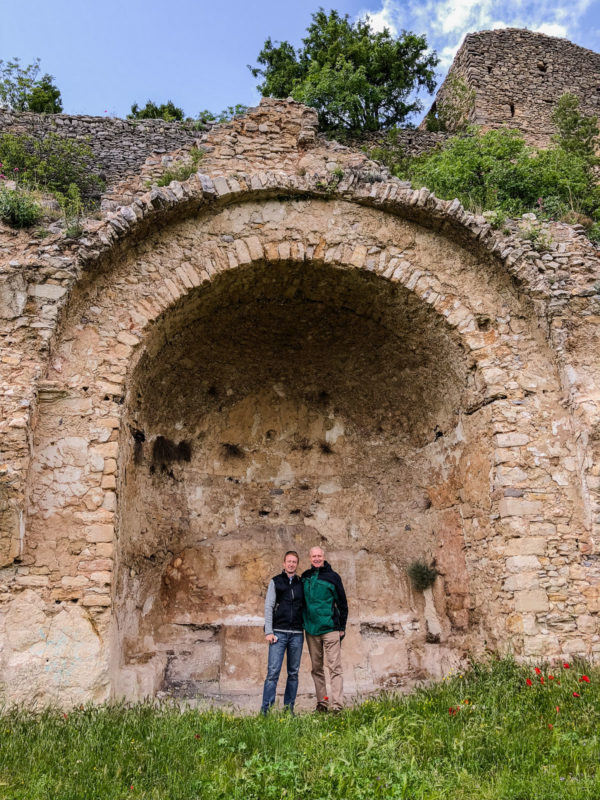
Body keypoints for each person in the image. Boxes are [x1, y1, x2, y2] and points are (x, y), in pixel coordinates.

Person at [302, 546, 348, 713]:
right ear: (310, 558)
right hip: (311, 631)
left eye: (319, 556)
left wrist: (341, 626)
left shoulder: (333, 577)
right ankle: (323, 703)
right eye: (314, 556)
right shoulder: (305, 577)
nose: (316, 559)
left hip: (330, 629)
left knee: (335, 668)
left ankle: (337, 706)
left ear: (324, 557)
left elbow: (343, 604)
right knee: (316, 668)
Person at [260, 550, 304, 714]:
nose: (291, 564)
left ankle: (288, 710)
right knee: (273, 673)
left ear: (297, 564)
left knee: (293, 673)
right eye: (289, 561)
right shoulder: (276, 582)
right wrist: (269, 631)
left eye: (294, 562)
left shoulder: (301, 583)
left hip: (297, 634)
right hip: (278, 633)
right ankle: (266, 711)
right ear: (284, 564)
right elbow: (269, 607)